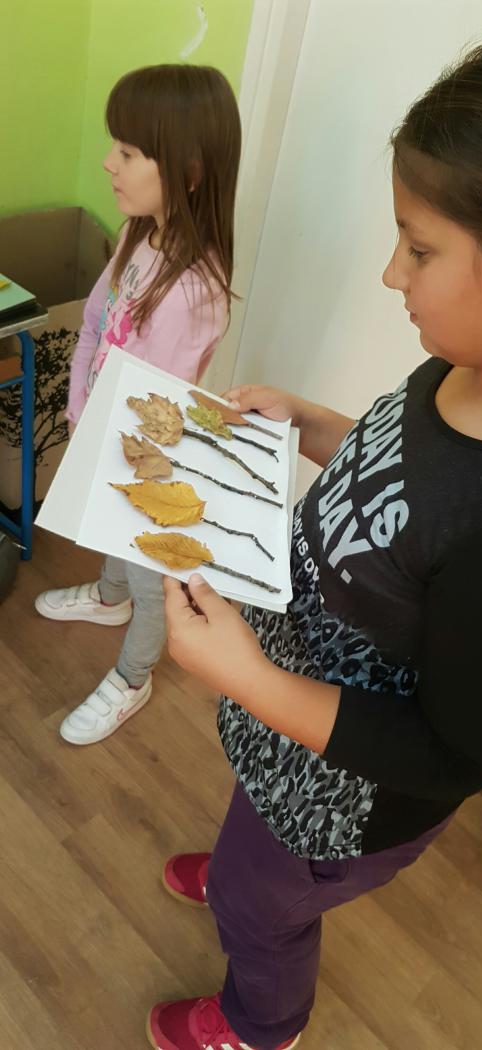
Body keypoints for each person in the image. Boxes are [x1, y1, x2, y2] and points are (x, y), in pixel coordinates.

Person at [151, 32, 482, 1050]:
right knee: (252, 848)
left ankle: (259, 1021)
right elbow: (412, 486)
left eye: (418, 248)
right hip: (286, 711)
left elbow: (448, 753)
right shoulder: (470, 363)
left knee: (264, 905)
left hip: (342, 795)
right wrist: (313, 425)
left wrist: (246, 677)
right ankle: (244, 870)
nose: (392, 273)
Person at [35, 64, 241, 746]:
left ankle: (132, 676)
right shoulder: (137, 232)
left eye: (127, 151)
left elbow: (154, 413)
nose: (108, 162)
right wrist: (79, 412)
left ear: (188, 172)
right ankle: (108, 597)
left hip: (149, 456)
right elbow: (95, 323)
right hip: (103, 429)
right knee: (107, 537)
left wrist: (107, 447)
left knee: (153, 577)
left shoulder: (193, 292)